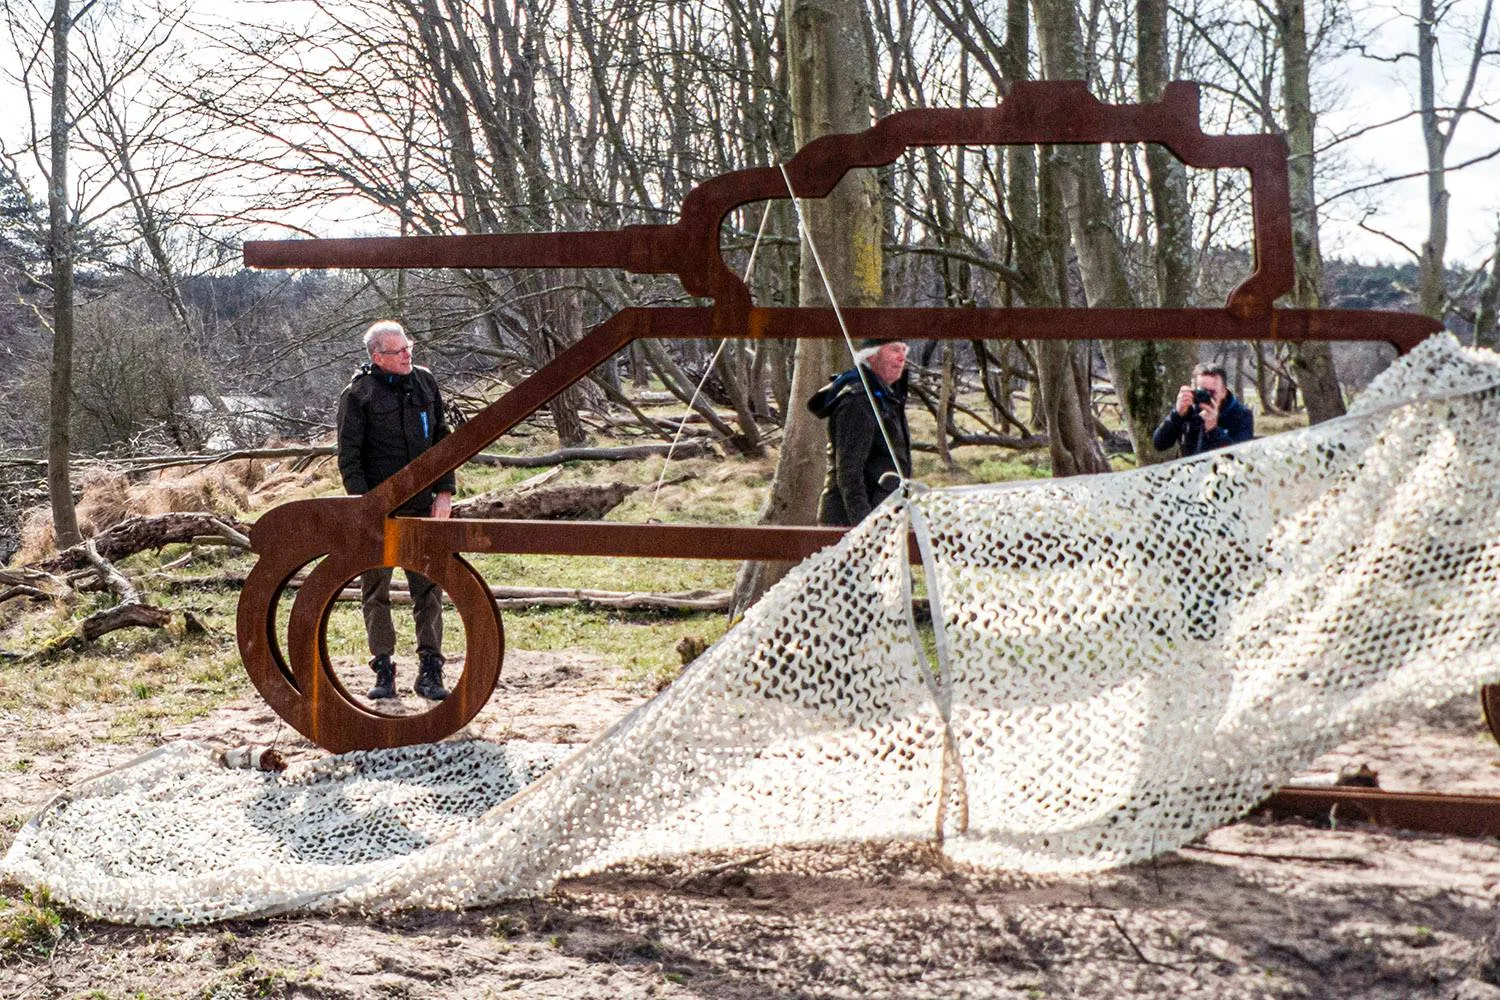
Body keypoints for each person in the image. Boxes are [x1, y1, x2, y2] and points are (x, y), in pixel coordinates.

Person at [336, 320, 455, 702]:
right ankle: (384, 669)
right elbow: (349, 459)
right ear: (377, 356)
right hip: (377, 513)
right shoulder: (357, 394)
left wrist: (445, 493)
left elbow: (442, 441)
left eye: (409, 347)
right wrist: (366, 508)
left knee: (429, 589)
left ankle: (430, 670)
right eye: (398, 351)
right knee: (375, 593)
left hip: (423, 507)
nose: (408, 354)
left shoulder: (424, 382)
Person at [808, 338, 912, 526]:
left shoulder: (887, 396)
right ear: (871, 356)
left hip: (883, 514)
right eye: (895, 350)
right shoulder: (858, 402)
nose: (902, 358)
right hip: (851, 520)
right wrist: (864, 526)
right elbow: (849, 472)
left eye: (904, 351)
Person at [1151, 362, 1254, 458]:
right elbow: (1159, 444)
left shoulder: (1241, 414)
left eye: (1211, 392)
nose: (1206, 397)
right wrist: (1176, 415)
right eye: (1201, 392)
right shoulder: (1189, 410)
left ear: (1223, 392)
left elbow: (1240, 456)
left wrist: (1213, 430)